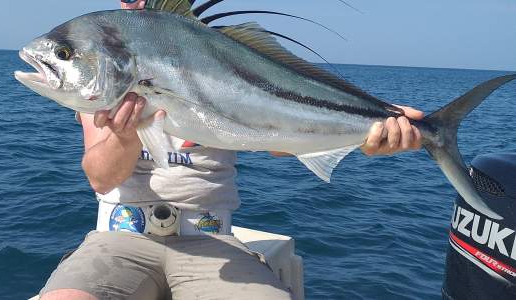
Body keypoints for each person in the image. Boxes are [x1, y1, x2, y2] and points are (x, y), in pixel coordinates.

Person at [38, 1, 425, 299]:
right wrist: (126, 135)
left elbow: (281, 143)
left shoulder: (220, 49)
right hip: (119, 238)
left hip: (211, 237)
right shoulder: (103, 68)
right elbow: (100, 177)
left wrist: (374, 129)